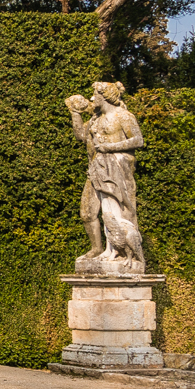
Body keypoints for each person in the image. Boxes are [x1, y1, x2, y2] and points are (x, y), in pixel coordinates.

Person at [65, 81, 146, 269]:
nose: (92, 98)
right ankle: (97, 249)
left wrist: (110, 147)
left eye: (95, 94)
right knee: (87, 212)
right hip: (96, 169)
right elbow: (81, 136)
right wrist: (75, 113)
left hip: (117, 170)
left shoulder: (123, 116)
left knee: (120, 212)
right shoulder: (96, 120)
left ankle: (124, 252)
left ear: (105, 96)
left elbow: (138, 140)